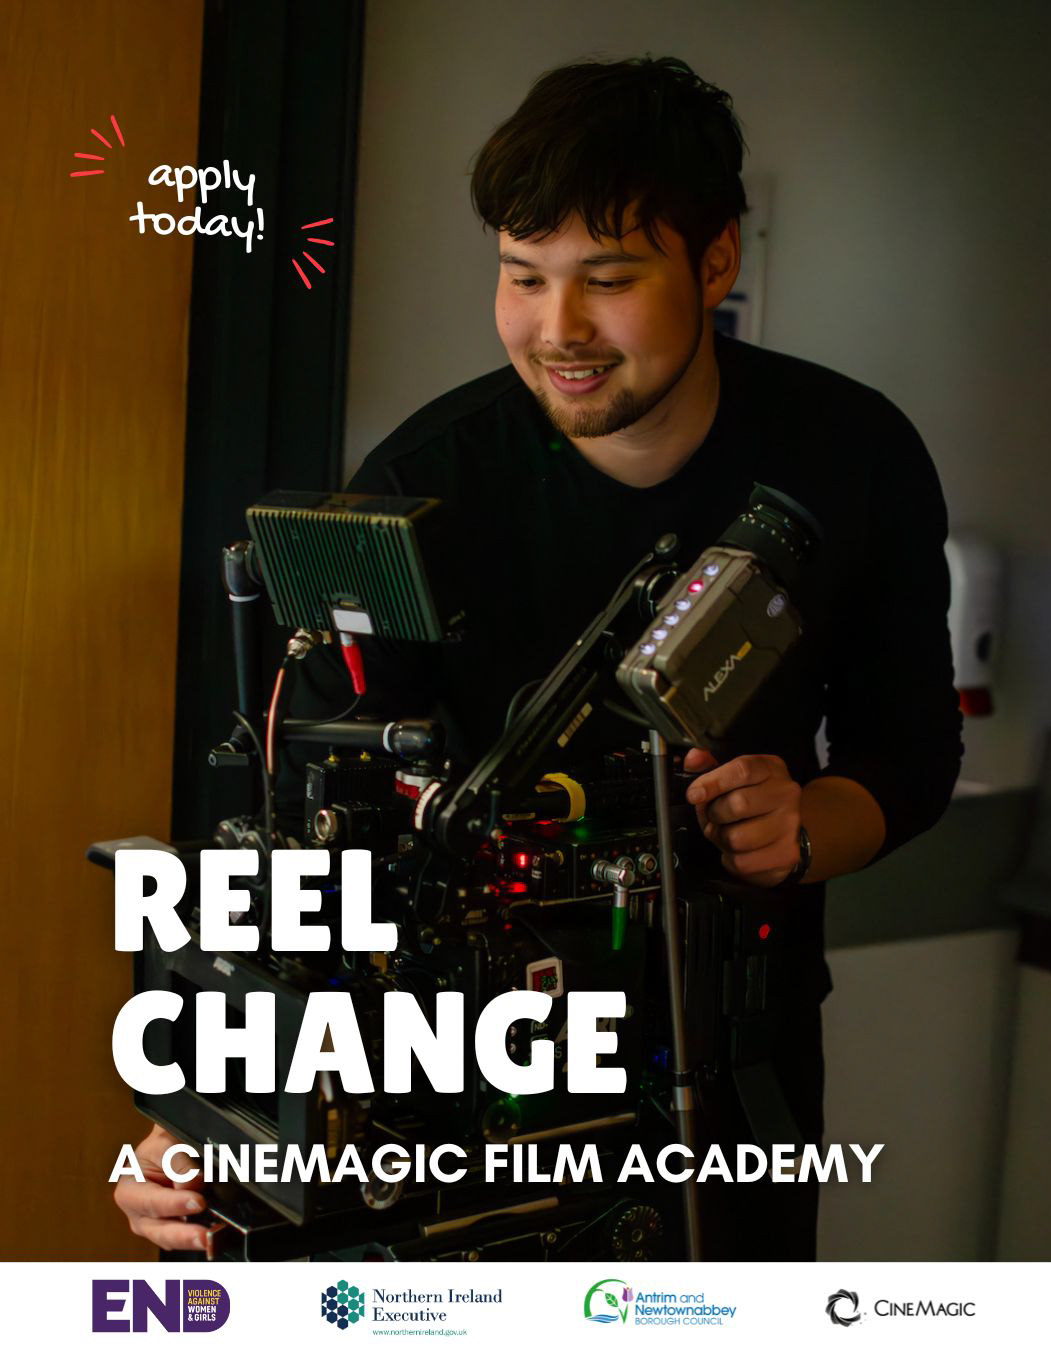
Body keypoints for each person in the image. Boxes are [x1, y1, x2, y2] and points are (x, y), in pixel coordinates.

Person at [115, 56, 962, 1259]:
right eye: (522, 277)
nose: (558, 330)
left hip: (730, 1063)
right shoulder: (422, 486)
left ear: (715, 260)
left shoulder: (850, 455)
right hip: (453, 1072)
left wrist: (805, 827)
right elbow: (306, 833)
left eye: (608, 280)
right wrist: (205, 1109)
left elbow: (911, 755)